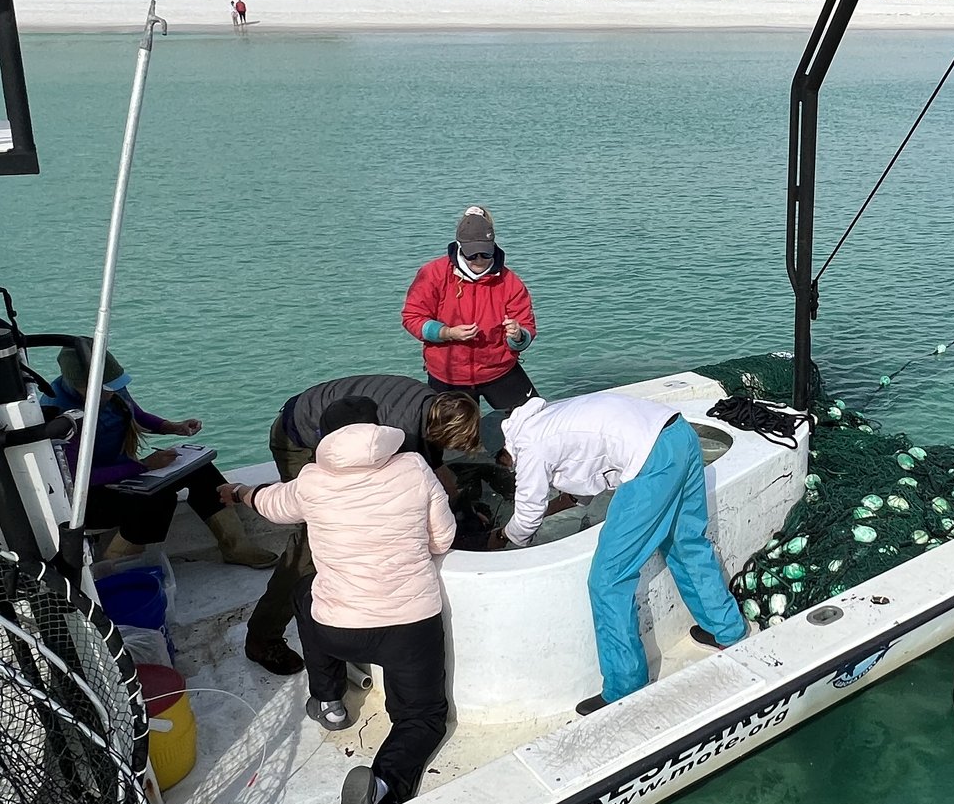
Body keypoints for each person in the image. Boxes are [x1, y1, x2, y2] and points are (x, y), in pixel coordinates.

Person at [220, 397, 456, 804]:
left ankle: (329, 702)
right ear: (377, 429)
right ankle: (383, 785)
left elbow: (270, 504)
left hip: (339, 630)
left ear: (324, 438)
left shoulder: (311, 479)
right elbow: (443, 537)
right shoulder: (414, 468)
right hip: (408, 628)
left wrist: (238, 493)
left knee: (307, 593)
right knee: (422, 717)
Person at [502, 391, 747, 715]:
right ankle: (727, 630)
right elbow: (583, 483)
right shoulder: (550, 419)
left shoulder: (528, 448)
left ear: (507, 456)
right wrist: (556, 508)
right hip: (679, 434)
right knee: (687, 543)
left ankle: (624, 685)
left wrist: (507, 542)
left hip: (652, 460)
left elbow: (528, 515)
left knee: (608, 577)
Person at [241, 374, 487, 675]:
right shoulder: (398, 432)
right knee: (312, 541)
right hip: (299, 436)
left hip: (330, 424)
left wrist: (464, 508)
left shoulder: (432, 407)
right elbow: (390, 496)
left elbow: (433, 468)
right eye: (453, 444)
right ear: (441, 429)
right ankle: (263, 638)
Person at [44, 345, 273, 567]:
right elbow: (74, 477)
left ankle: (237, 547)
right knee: (156, 500)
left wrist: (172, 427)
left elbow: (137, 414)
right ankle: (114, 567)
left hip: (122, 473)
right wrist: (142, 467)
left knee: (201, 470)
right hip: (86, 496)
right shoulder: (58, 413)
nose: (112, 392)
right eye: (105, 388)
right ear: (82, 385)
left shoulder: (110, 389)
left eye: (114, 385)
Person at [402, 205, 537, 416]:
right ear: (460, 247)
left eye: (485, 254)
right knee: (448, 442)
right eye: (472, 255)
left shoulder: (510, 282)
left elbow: (527, 328)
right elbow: (412, 317)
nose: (479, 261)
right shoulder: (433, 274)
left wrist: (518, 335)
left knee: (535, 420)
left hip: (500, 370)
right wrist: (446, 333)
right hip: (448, 375)